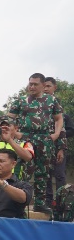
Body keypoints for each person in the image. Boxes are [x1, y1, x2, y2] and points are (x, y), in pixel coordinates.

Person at [6, 73, 63, 214]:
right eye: (30, 83)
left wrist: (56, 134)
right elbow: (9, 117)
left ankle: (39, 203)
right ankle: (18, 201)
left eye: (35, 84)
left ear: (43, 85)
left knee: (43, 173)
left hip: (44, 139)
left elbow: (58, 118)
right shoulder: (21, 100)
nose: (32, 86)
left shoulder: (52, 100)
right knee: (22, 170)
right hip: (25, 138)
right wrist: (14, 132)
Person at [44, 77, 74, 207]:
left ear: (54, 87)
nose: (46, 89)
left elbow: (68, 131)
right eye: (44, 86)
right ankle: (48, 202)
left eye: (48, 86)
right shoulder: (36, 109)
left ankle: (61, 202)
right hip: (42, 148)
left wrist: (60, 146)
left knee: (60, 175)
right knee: (45, 176)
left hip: (57, 147)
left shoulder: (62, 114)